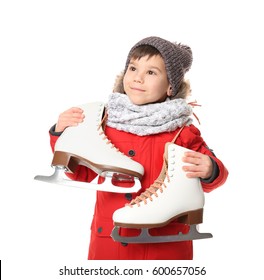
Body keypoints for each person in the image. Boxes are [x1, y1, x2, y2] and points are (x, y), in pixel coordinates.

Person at [49, 36, 228, 260]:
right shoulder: (103, 124)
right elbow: (81, 174)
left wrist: (211, 169)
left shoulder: (183, 132)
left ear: (171, 86)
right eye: (133, 68)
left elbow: (210, 178)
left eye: (151, 72)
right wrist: (61, 133)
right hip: (111, 244)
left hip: (165, 247)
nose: (138, 78)